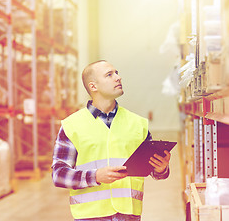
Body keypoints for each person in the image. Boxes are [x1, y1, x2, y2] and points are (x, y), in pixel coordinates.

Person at [51, 60, 171, 221]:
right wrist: (95, 177)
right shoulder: (71, 125)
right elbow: (58, 174)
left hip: (129, 215)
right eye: (109, 75)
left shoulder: (137, 123)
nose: (118, 77)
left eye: (117, 73)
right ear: (93, 86)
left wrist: (161, 169)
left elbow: (151, 169)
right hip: (90, 216)